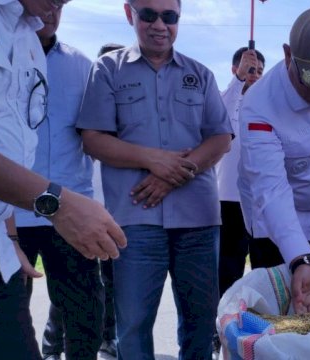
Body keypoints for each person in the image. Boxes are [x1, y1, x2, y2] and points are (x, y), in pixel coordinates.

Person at [76, 0, 232, 358]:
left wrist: (174, 175)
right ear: (130, 14)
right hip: (135, 218)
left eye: (170, 16)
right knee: (133, 324)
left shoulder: (201, 75)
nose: (160, 25)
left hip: (198, 221)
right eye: (149, 15)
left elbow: (221, 138)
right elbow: (93, 139)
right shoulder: (107, 71)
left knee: (201, 321)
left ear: (179, 18)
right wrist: (153, 159)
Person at [238, 6, 310, 314]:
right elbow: (270, 189)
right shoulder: (258, 107)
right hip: (273, 226)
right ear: (288, 55)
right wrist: (300, 258)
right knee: (278, 314)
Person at [11, 7, 104, 360]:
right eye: (45, 1)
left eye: (60, 4)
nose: (51, 10)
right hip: (10, 215)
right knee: (7, 318)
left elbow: (98, 134)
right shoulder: (0, 56)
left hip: (69, 213)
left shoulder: (82, 66)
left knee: (85, 316)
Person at [216, 46, 265, 297]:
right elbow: (217, 118)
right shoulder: (224, 98)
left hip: (260, 201)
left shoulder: (267, 106)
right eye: (248, 69)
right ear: (234, 70)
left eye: (257, 71)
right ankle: (221, 326)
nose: (253, 75)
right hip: (229, 201)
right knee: (228, 267)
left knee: (263, 267)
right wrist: (238, 82)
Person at [95, 42, 126, 358]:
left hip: (118, 209)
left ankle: (108, 338)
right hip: (80, 204)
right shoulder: (87, 103)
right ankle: (52, 338)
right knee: (75, 278)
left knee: (112, 278)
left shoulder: (131, 107)